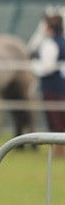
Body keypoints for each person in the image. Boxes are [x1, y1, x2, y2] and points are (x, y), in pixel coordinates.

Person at [32, 14, 65, 156]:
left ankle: (59, 151)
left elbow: (47, 67)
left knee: (55, 118)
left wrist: (34, 67)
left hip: (52, 86)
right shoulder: (62, 41)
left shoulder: (49, 44)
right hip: (61, 84)